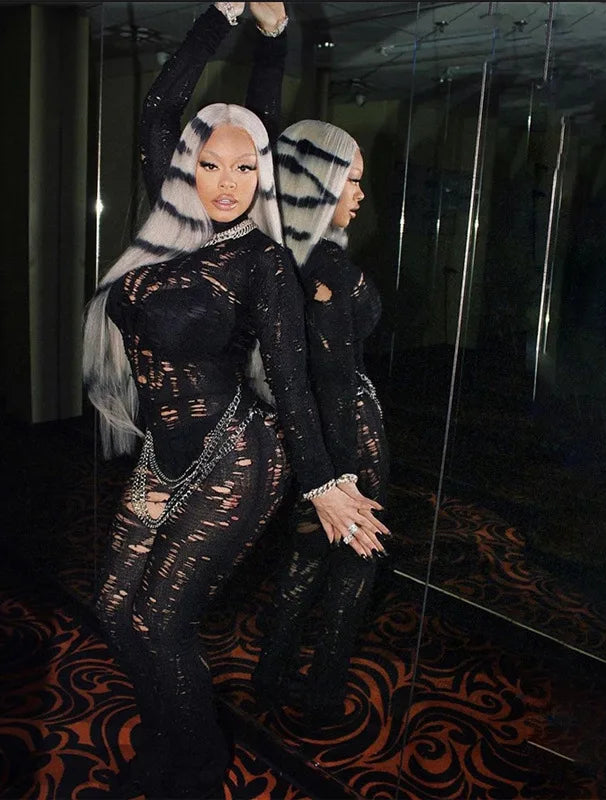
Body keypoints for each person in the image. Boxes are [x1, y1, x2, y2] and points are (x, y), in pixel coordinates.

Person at [82, 12, 388, 800]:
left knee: (161, 622)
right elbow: (159, 107)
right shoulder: (173, 223)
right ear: (188, 166)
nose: (227, 181)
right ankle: (168, 741)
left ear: (263, 176)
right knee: (114, 610)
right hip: (164, 456)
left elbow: (290, 380)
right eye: (212, 164)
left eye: (246, 167)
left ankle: (195, 767)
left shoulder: (263, 263)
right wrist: (220, 16)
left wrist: (323, 482)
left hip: (236, 460)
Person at [253, 120, 391, 723]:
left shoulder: (277, 256)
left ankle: (269, 676)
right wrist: (340, 474)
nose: (360, 195)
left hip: (310, 435)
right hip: (346, 433)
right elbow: (333, 379)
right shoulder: (327, 266)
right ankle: (324, 693)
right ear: (318, 182)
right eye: (351, 181)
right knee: (357, 557)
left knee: (307, 554)